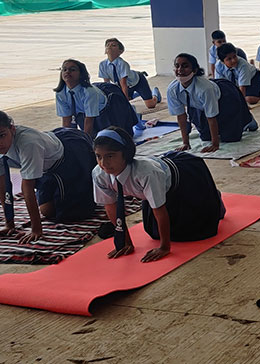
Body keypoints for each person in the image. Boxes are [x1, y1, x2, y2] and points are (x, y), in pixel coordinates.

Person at [92, 126, 225, 263]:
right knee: (153, 232)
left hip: (184, 176)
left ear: (125, 154)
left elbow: (159, 209)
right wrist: (125, 242)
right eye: (98, 156)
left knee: (197, 229)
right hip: (156, 185)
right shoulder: (99, 174)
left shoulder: (145, 172)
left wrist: (164, 247)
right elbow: (111, 207)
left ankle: (214, 198)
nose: (104, 163)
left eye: (110, 156)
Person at [0, 111, 96, 243]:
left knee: (74, 212)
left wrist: (36, 229)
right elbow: (2, 185)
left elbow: (27, 186)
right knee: (46, 210)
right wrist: (9, 223)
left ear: (12, 128)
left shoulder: (28, 143)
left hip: (69, 154)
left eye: (2, 135)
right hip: (46, 166)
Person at [166, 53, 257, 153]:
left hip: (225, 96)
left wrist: (215, 144)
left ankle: (249, 121)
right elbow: (181, 116)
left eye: (185, 66)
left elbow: (211, 117)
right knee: (206, 137)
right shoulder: (172, 89)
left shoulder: (205, 89)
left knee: (231, 137)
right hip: (198, 105)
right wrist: (185, 143)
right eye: (177, 66)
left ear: (195, 70)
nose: (180, 70)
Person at [55, 59, 137, 137]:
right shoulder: (60, 93)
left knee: (110, 137)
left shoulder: (89, 92)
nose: (67, 72)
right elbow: (66, 119)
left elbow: (89, 120)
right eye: (64, 69)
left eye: (72, 70)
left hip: (105, 111)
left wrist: (85, 140)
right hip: (82, 113)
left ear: (81, 74)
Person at [99, 38, 162, 110]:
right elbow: (107, 84)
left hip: (138, 81)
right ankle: (137, 94)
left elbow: (124, 84)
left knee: (151, 105)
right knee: (119, 99)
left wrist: (125, 105)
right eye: (107, 45)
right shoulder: (102, 64)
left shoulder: (122, 64)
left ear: (120, 51)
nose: (109, 47)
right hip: (124, 85)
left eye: (113, 45)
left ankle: (155, 94)